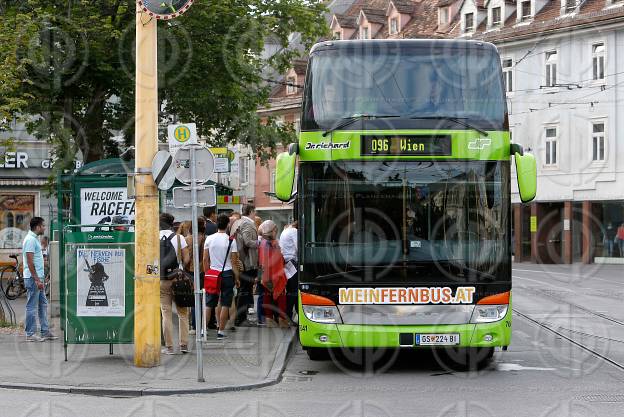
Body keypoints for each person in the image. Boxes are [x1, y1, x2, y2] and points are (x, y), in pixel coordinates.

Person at [203, 214, 240, 340]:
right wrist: (237, 277)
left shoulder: (209, 239)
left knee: (209, 303)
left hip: (213, 273)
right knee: (225, 303)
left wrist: (207, 273)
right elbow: (234, 262)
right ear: (228, 225)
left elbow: (205, 259)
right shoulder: (231, 240)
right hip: (227, 274)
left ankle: (204, 330)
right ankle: (221, 331)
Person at [159, 213, 191, 354]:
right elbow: (187, 258)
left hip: (162, 279)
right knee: (182, 313)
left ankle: (169, 347)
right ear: (172, 224)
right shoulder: (179, 238)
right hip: (178, 278)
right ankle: (183, 345)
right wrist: (180, 267)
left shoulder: (153, 237)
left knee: (165, 313)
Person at [22, 217, 57, 342]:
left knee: (43, 304)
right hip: (33, 279)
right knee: (31, 306)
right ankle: (30, 334)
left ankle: (45, 331)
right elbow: (30, 262)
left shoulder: (34, 239)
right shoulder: (31, 240)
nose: (44, 227)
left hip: (37, 278)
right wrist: (37, 280)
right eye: (43, 225)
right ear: (37, 227)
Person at [231, 205, 259, 326]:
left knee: (244, 290)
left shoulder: (238, 222)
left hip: (241, 261)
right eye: (254, 212)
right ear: (251, 211)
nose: (255, 214)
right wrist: (260, 242)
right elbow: (248, 242)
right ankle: (240, 319)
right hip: (247, 262)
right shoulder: (247, 224)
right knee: (245, 291)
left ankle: (241, 318)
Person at [258, 220, 288, 328]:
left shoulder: (263, 242)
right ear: (272, 230)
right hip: (276, 273)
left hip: (266, 273)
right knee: (281, 296)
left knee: (267, 296)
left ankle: (269, 318)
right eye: (275, 229)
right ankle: (282, 319)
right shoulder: (274, 243)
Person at [184, 217, 206, 335]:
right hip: (202, 271)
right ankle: (201, 325)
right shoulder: (205, 239)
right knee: (200, 298)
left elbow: (185, 259)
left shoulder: (187, 239)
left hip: (188, 272)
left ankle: (192, 325)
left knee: (190, 299)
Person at [279, 221, 298, 323]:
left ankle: (290, 314)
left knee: (291, 289)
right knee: (293, 290)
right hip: (292, 262)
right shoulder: (294, 231)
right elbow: (298, 247)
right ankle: (288, 315)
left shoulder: (285, 230)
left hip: (286, 262)